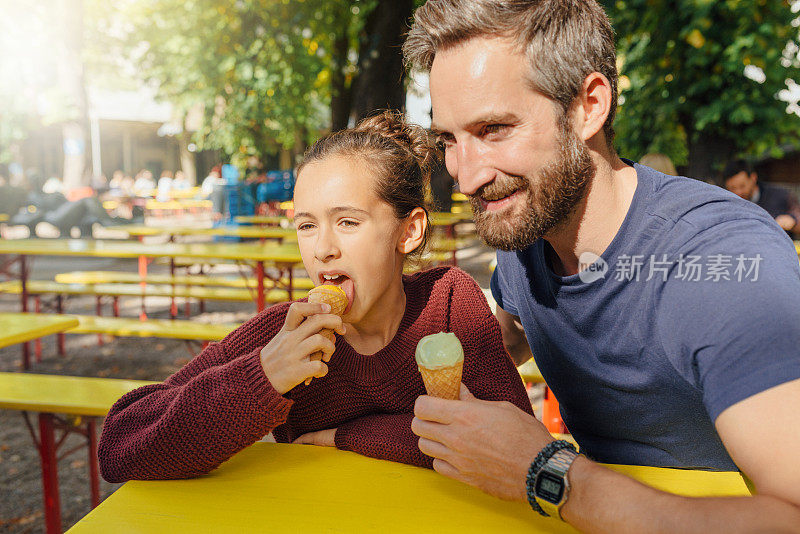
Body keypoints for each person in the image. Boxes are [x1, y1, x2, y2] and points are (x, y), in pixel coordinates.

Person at [403, 0, 800, 530]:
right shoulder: (527, 229)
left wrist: (545, 472)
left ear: (588, 107)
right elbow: (510, 335)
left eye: (495, 129)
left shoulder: (721, 261)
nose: (466, 176)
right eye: (449, 139)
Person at [97, 111, 533, 482]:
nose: (323, 247)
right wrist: (264, 376)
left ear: (409, 231)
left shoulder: (449, 304)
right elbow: (122, 444)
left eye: (347, 222)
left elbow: (514, 442)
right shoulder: (286, 336)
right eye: (307, 225)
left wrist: (347, 437)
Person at [722, 159, 800, 238]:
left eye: (742, 186)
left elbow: (797, 216)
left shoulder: (779, 195)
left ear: (753, 178)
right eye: (732, 188)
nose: (738, 192)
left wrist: (793, 220)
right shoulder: (727, 204)